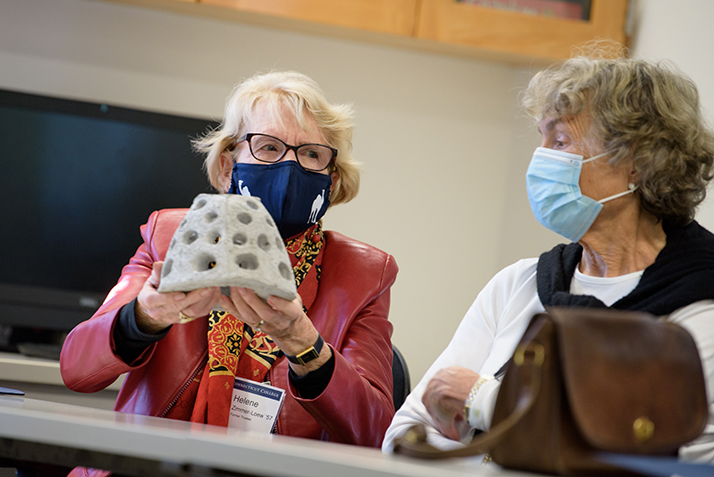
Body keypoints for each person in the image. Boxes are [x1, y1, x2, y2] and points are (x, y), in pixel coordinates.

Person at [383, 52, 714, 462]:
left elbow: (653, 458)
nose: (541, 160)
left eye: (560, 142)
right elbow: (404, 434)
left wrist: (485, 401)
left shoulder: (702, 306)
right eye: (542, 140)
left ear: (637, 162)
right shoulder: (519, 285)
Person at [60, 71, 398, 470]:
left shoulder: (364, 274)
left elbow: (377, 434)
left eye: (311, 154)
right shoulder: (170, 237)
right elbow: (77, 371)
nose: (290, 167)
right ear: (226, 167)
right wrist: (145, 317)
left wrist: (305, 345)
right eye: (269, 147)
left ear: (333, 179)